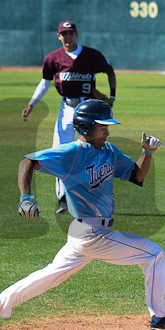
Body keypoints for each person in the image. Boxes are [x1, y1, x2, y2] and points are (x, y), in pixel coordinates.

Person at [0, 100, 165, 330]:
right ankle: (159, 318)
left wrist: (147, 153)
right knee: (154, 254)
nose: (108, 131)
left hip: (83, 234)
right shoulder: (72, 153)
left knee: (49, 276)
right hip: (90, 233)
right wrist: (26, 198)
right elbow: (27, 162)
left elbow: (136, 175)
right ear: (85, 128)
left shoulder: (109, 151)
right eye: (103, 127)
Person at [21, 20, 118, 214]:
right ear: (59, 36)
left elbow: (109, 71)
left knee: (92, 152)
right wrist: (32, 103)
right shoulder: (53, 58)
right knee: (60, 152)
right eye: (64, 34)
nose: (68, 37)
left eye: (71, 33)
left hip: (89, 109)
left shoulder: (91, 55)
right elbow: (44, 83)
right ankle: (63, 199)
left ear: (76, 34)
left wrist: (112, 95)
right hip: (67, 108)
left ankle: (94, 194)